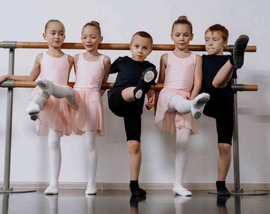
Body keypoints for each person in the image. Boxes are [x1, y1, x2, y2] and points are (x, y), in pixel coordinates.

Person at [0, 19, 77, 195]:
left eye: (61, 33)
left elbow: (79, 81)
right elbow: (30, 79)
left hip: (59, 100)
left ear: (65, 36)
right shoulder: (41, 57)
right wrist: (7, 76)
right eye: (53, 33)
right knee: (40, 92)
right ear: (45, 36)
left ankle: (54, 183)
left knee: (53, 141)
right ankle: (34, 107)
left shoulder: (69, 59)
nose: (57, 36)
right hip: (43, 95)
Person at [36, 21, 111, 195]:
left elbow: (103, 83)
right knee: (54, 137)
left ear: (100, 38)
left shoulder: (104, 59)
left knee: (90, 142)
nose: (89, 40)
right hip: (74, 96)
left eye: (93, 37)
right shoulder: (76, 58)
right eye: (85, 37)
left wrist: (96, 97)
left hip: (91, 100)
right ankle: (54, 183)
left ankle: (91, 183)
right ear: (80, 38)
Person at [155, 16, 210, 197]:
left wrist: (192, 100)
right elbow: (160, 82)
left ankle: (178, 184)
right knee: (176, 99)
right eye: (178, 35)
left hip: (188, 99)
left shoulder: (196, 58)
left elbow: (197, 82)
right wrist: (152, 99)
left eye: (185, 35)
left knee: (183, 142)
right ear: (171, 36)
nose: (181, 38)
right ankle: (192, 105)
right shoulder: (165, 57)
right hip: (168, 96)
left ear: (191, 36)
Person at [107, 31, 158, 197]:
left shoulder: (149, 68)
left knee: (134, 145)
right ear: (130, 47)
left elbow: (153, 87)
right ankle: (138, 89)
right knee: (132, 90)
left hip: (134, 107)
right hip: (117, 98)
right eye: (136, 46)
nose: (140, 50)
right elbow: (103, 71)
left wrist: (151, 96)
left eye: (145, 48)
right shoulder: (123, 61)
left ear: (150, 50)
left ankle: (134, 185)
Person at [201, 24, 249, 196]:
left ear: (225, 42)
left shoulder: (227, 62)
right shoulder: (202, 59)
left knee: (224, 147)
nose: (210, 43)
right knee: (215, 83)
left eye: (215, 40)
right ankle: (233, 60)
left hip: (224, 103)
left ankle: (220, 184)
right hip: (207, 99)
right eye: (207, 40)